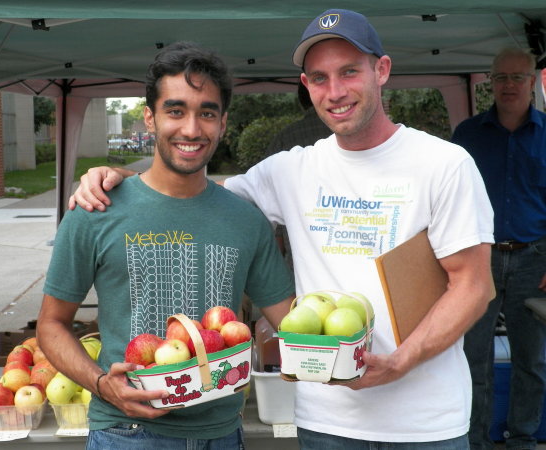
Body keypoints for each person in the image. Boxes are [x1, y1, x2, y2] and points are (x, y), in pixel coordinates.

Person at [69, 9, 496, 449]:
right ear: (306, 85)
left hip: (424, 422)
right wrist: (116, 177)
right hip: (326, 418)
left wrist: (400, 362)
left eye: (349, 72)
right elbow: (187, 188)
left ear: (381, 70)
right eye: (319, 77)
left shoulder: (444, 165)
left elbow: (474, 286)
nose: (335, 91)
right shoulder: (289, 171)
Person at [36, 41, 295, 449]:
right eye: (175, 111)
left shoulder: (246, 220)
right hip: (126, 433)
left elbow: (292, 324)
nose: (191, 129)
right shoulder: (95, 209)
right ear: (150, 118)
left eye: (206, 113)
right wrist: (103, 385)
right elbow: (51, 325)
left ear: (223, 123)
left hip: (222, 434)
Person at [452, 47, 546, 450]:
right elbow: (450, 200)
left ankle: (523, 439)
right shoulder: (467, 135)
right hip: (479, 259)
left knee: (533, 360)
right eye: (501, 77)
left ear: (532, 81)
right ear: (490, 82)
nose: (509, 85)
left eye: (517, 77)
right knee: (473, 358)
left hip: (535, 259)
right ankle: (474, 441)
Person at [265, 81, 331, 271]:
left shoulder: (285, 138)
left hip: (299, 259)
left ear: (302, 101)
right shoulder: (354, 133)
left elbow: (269, 198)